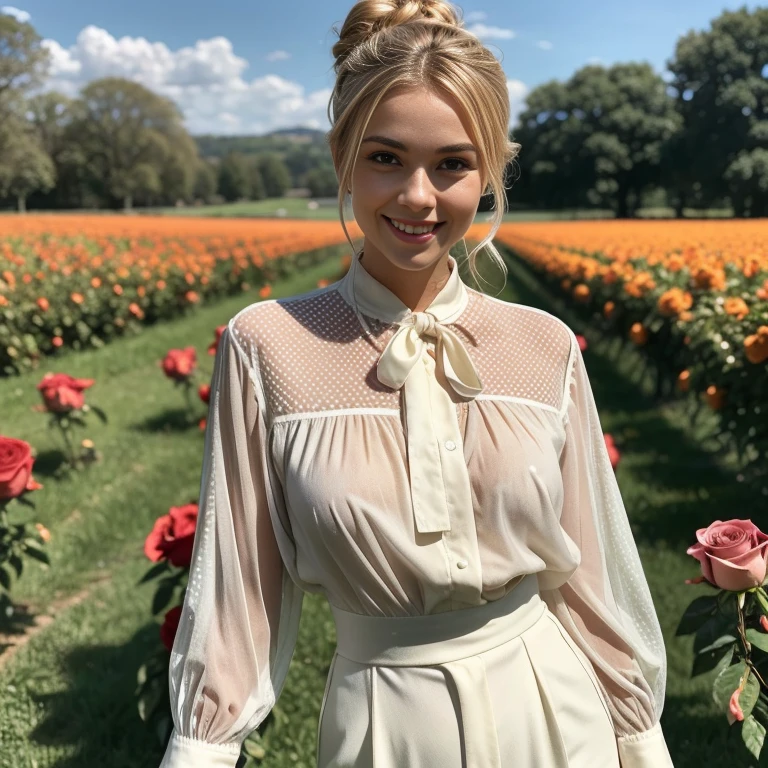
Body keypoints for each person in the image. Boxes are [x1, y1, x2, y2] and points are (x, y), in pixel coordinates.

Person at [158, 1, 675, 766]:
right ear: (342, 158)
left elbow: (589, 580)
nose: (419, 197)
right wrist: (200, 750)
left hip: (558, 718)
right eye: (386, 158)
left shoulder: (544, 345)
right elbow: (239, 597)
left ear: (490, 172)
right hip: (383, 727)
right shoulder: (266, 346)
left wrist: (638, 742)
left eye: (454, 164)